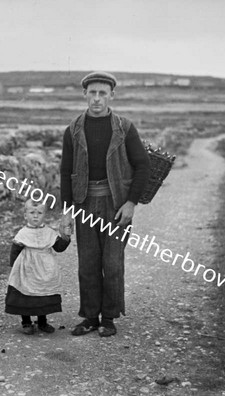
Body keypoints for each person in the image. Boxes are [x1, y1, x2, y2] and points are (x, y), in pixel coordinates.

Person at [60, 71, 151, 337]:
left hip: (116, 205)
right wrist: (67, 211)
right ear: (84, 94)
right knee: (88, 262)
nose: (97, 99)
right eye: (92, 93)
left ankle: (108, 318)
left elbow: (143, 165)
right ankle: (89, 317)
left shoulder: (124, 127)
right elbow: (66, 172)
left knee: (112, 263)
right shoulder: (73, 130)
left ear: (112, 95)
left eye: (103, 93)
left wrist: (131, 202)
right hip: (84, 203)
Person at [5, 199, 71, 335]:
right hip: (26, 269)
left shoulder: (48, 232)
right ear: (25, 215)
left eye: (39, 213)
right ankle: (26, 322)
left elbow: (59, 247)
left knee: (43, 293)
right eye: (32, 212)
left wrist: (66, 237)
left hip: (45, 268)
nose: (35, 216)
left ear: (44, 215)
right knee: (24, 293)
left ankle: (42, 322)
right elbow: (15, 249)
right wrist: (14, 267)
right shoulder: (23, 233)